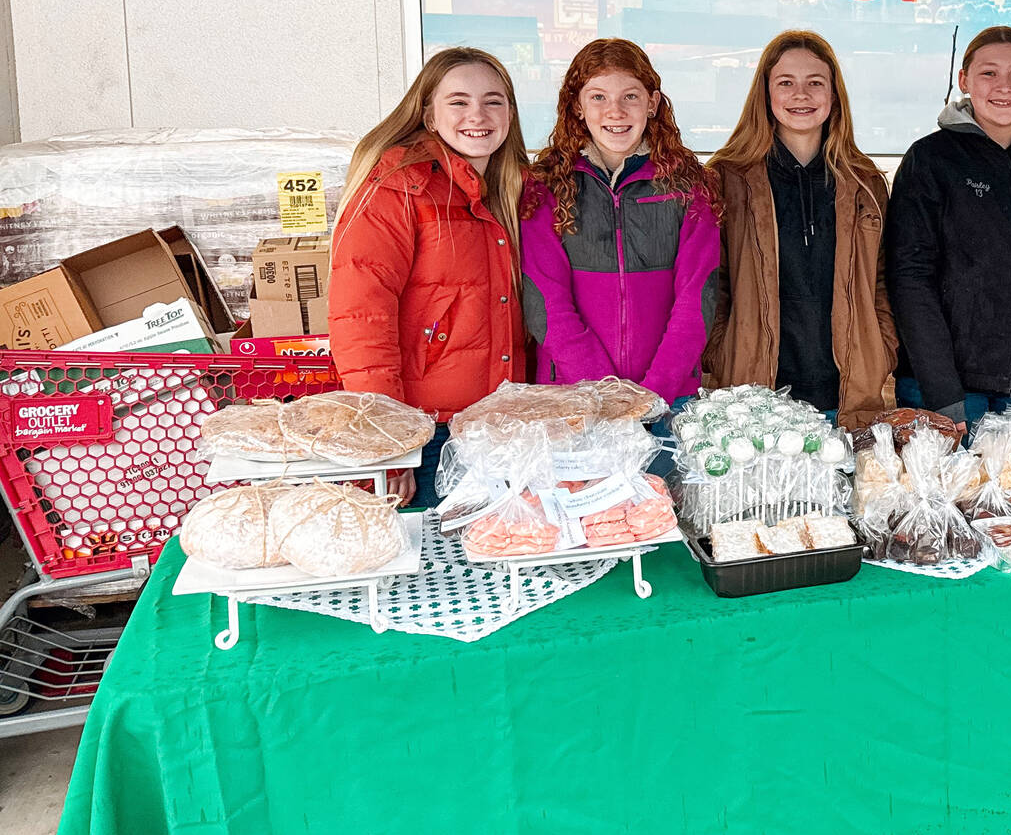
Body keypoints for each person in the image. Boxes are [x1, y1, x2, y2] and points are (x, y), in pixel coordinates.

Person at [330, 47, 529, 504]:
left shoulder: (513, 188)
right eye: (458, 101)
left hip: (503, 430)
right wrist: (391, 445)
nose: (477, 114)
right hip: (427, 435)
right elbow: (361, 322)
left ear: (510, 113)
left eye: (493, 101)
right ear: (430, 115)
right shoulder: (399, 187)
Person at [887, 25, 1011, 425]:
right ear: (964, 80)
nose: (1003, 86)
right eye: (989, 73)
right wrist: (943, 393)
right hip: (949, 390)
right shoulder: (931, 160)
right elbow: (910, 277)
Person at [702, 30, 895, 427]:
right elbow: (711, 285)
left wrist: (882, 350)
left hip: (847, 397)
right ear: (766, 93)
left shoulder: (864, 183)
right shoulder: (727, 179)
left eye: (815, 83)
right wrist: (720, 352)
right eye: (786, 83)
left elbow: (883, 281)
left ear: (834, 94)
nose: (801, 95)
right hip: (754, 398)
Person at [519, 37, 721, 406]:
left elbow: (697, 298)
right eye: (598, 97)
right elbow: (547, 302)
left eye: (630, 96)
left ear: (653, 103)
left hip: (667, 395)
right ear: (577, 106)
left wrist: (655, 391)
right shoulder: (546, 185)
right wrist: (605, 393)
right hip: (573, 394)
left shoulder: (689, 184)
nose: (615, 111)